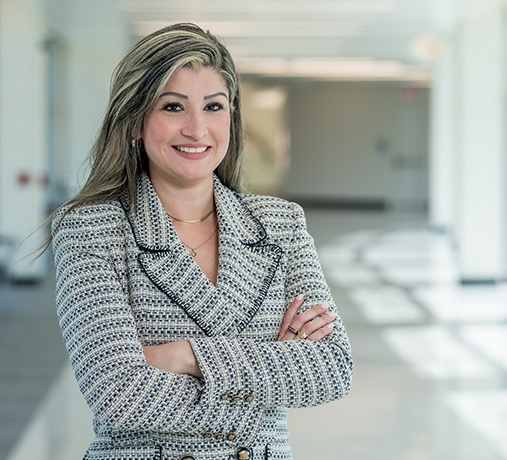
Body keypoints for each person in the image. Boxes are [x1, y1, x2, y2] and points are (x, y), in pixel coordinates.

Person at [47, 22, 353, 460]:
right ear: (134, 122)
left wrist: (183, 355)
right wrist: (268, 370)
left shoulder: (280, 225)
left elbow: (332, 370)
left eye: (213, 107)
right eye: (173, 107)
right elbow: (116, 394)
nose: (196, 128)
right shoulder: (94, 230)